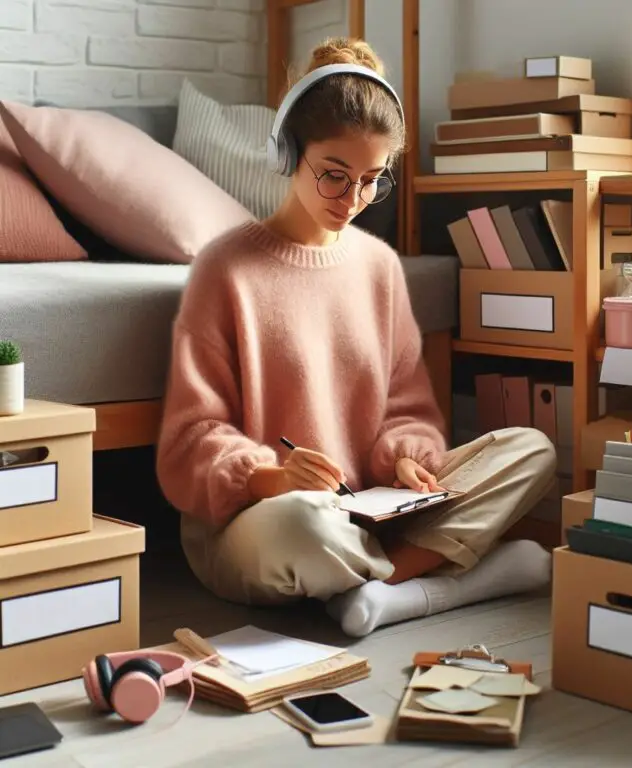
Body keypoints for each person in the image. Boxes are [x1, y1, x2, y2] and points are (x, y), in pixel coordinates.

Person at [156, 37, 557, 638]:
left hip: (369, 511)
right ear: (288, 152)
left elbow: (404, 409)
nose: (353, 201)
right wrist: (272, 477)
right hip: (262, 525)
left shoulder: (377, 267)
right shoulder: (225, 269)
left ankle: (380, 593)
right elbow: (191, 440)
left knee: (532, 449)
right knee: (304, 525)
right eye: (335, 177)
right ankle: (438, 582)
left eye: (372, 180)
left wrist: (406, 459)